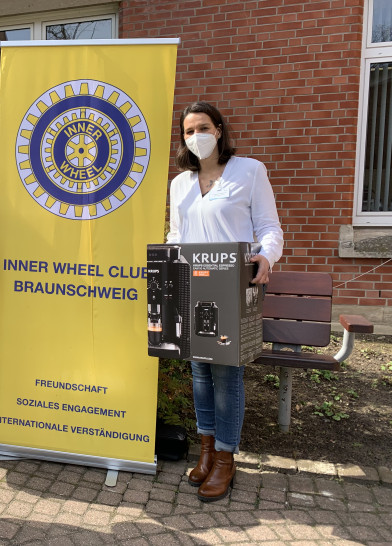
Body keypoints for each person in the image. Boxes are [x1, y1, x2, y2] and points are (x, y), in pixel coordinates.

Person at [166, 102, 283, 502]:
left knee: (226, 374)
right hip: (194, 284)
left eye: (202, 127)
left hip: (233, 285)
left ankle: (226, 459)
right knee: (199, 372)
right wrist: (166, 267)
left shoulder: (249, 171)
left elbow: (269, 227)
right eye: (187, 131)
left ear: (218, 130)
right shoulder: (180, 183)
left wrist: (266, 256)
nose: (195, 135)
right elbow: (176, 235)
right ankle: (206, 451)